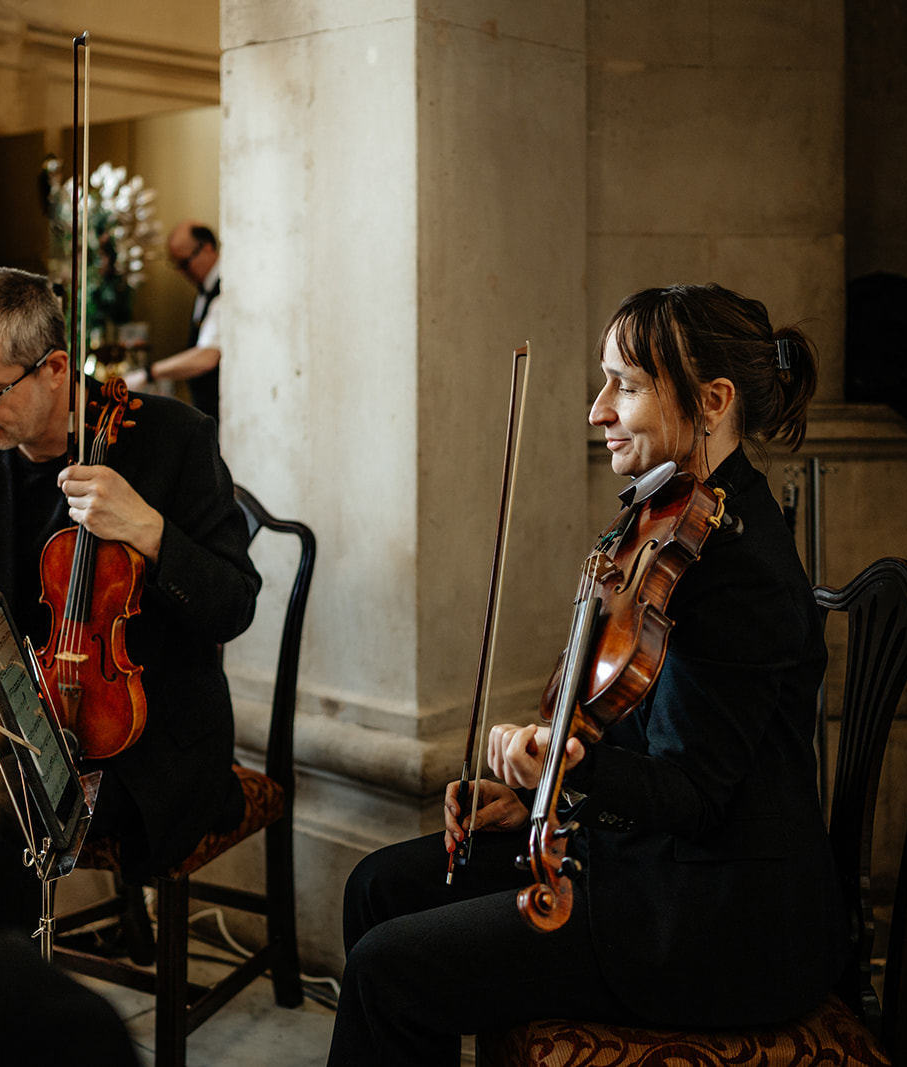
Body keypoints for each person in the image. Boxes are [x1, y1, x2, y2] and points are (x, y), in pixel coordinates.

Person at [327, 284, 848, 1066]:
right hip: (651, 860)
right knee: (378, 884)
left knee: (385, 971)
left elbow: (698, 795)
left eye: (627, 385)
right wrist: (539, 796)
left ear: (713, 400)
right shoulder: (679, 525)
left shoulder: (738, 570)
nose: (598, 410)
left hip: (714, 919)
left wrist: (574, 773)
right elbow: (647, 724)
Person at [0, 267, 257, 919]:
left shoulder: (172, 440)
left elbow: (234, 602)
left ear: (55, 367)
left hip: (142, 740)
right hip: (4, 733)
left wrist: (151, 531)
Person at [124, 220, 221, 422]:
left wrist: (148, 374)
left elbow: (208, 355)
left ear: (207, 248)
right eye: (176, 264)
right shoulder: (205, 290)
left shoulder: (224, 290)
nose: (180, 271)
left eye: (184, 262)